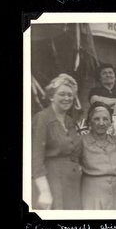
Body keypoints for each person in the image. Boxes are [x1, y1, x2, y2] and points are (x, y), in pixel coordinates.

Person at [32, 74, 82, 210]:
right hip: (52, 183)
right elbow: (36, 159)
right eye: (62, 94)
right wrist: (44, 191)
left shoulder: (70, 121)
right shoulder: (42, 119)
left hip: (72, 186)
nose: (67, 98)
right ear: (52, 96)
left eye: (70, 95)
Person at [80, 102, 116, 210]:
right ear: (89, 122)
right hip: (93, 194)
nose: (101, 123)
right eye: (96, 119)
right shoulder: (82, 142)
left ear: (111, 122)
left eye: (105, 119)